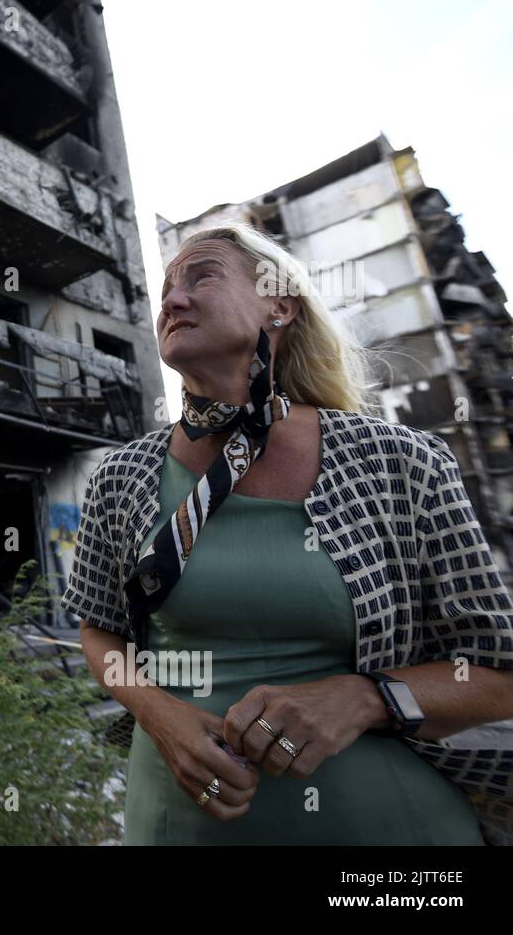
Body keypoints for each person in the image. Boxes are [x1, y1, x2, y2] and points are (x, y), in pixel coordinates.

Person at [64, 222, 513, 844]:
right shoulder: (121, 475)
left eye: (203, 276)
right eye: (166, 288)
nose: (172, 300)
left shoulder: (399, 461)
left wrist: (363, 699)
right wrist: (158, 715)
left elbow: (496, 672)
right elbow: (98, 630)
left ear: (280, 305)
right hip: (179, 825)